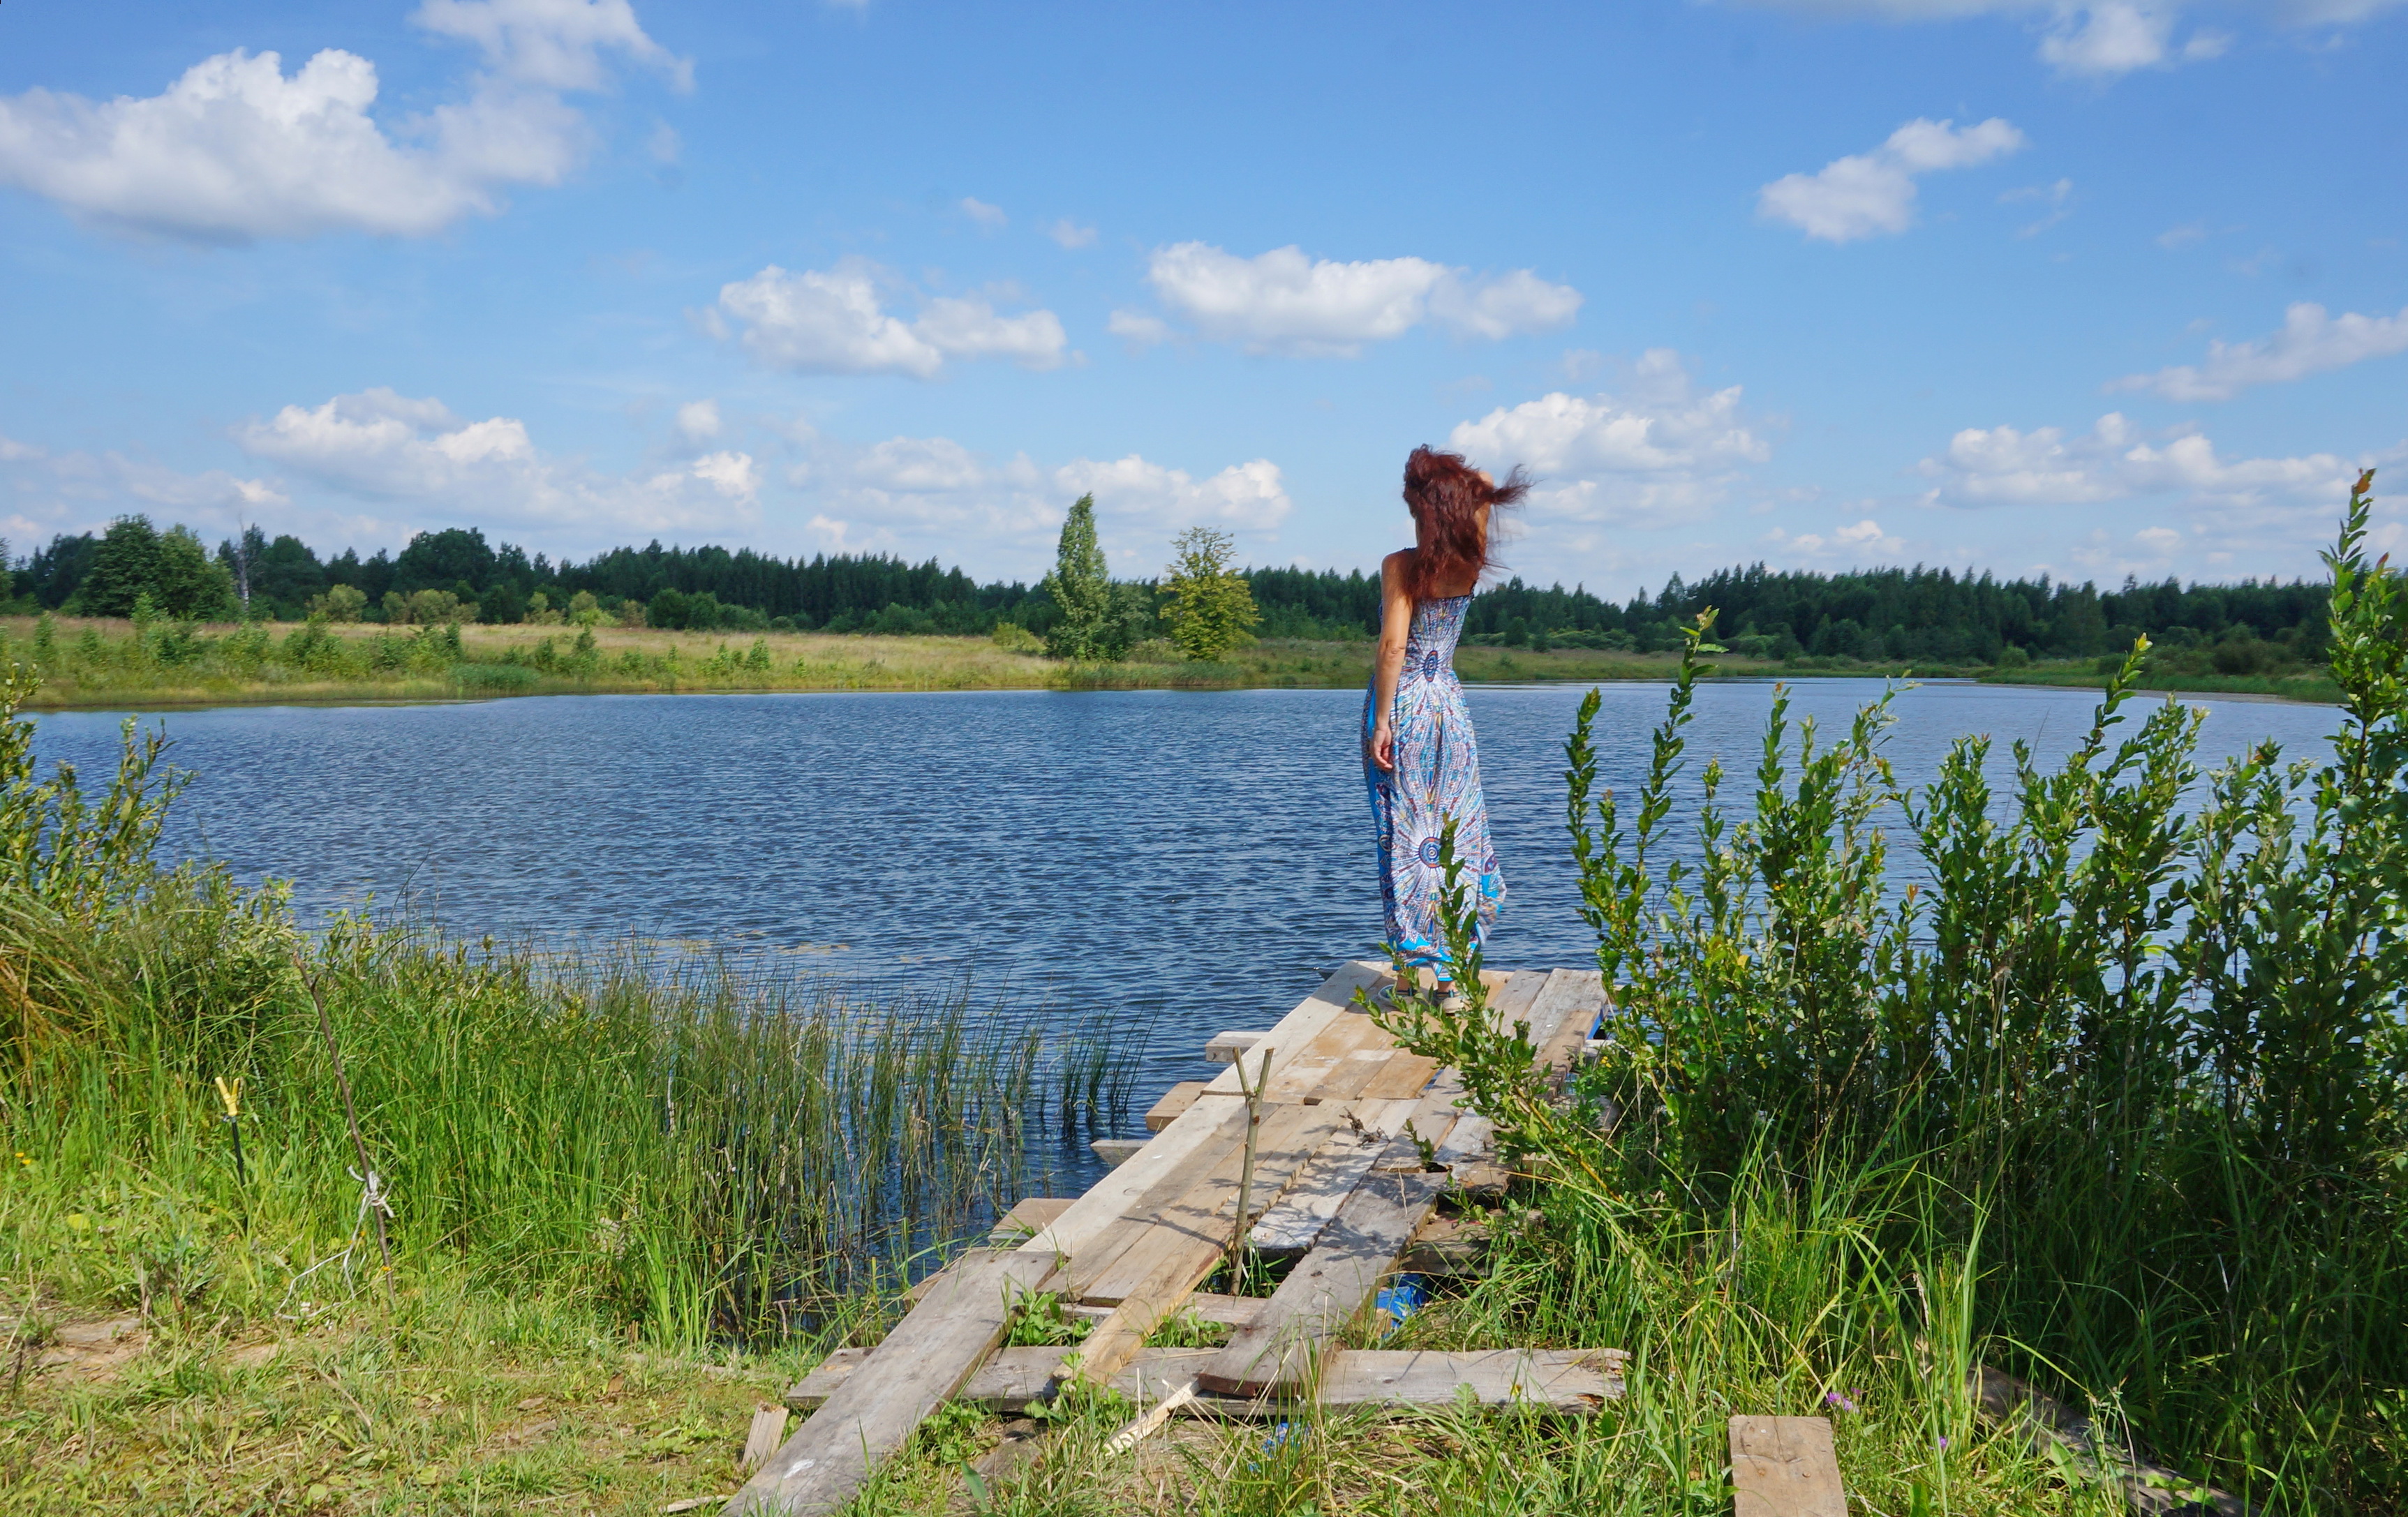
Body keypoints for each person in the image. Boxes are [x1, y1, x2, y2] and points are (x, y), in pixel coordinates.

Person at [1364, 446, 1529, 1005]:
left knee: (1403, 838)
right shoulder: (1470, 561)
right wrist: (1446, 489)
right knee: (1452, 833)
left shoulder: (1401, 565)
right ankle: (1451, 979)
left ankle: (1408, 975)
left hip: (1405, 706)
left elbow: (1393, 649)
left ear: (1424, 507)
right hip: (1450, 709)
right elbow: (1482, 481)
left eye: (1415, 504)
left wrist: (1381, 722)